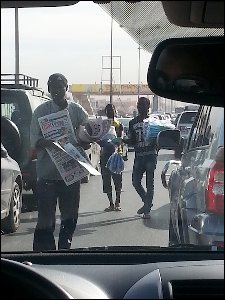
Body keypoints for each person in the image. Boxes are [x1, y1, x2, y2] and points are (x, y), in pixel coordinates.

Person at [30, 73, 89, 251]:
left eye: (59, 86)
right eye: (52, 87)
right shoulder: (41, 112)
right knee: (46, 218)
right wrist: (49, 143)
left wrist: (87, 139)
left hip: (71, 173)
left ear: (66, 88)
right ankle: (45, 254)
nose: (56, 90)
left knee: (70, 217)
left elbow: (87, 135)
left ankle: (65, 249)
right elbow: (34, 140)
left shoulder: (77, 111)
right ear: (49, 90)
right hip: (47, 174)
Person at [123, 97, 158, 218]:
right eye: (139, 105)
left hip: (150, 155)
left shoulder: (154, 121)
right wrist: (123, 140)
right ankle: (147, 202)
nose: (140, 107)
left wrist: (156, 146)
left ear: (148, 107)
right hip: (139, 156)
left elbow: (159, 139)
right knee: (135, 182)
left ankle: (147, 209)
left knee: (149, 183)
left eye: (143, 105)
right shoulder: (132, 122)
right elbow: (132, 140)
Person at [98, 104, 124, 212]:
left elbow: (121, 138)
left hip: (116, 154)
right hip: (105, 155)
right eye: (109, 110)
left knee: (116, 179)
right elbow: (98, 138)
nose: (110, 112)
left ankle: (116, 202)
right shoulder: (102, 125)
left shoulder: (118, 124)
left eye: (112, 110)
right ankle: (112, 203)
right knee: (107, 179)